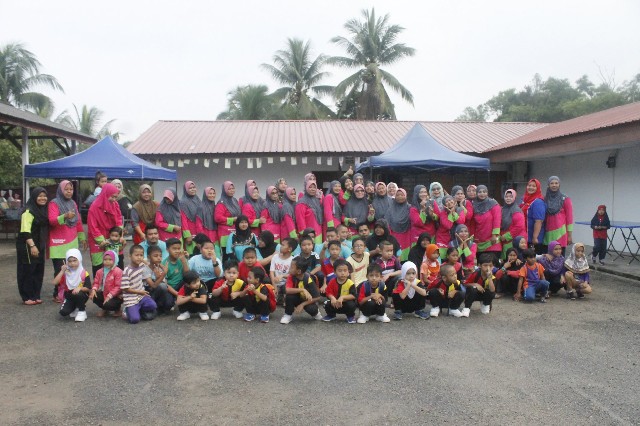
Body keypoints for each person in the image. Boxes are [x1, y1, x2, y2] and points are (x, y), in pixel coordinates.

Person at [48, 180, 86, 302]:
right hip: (58, 242)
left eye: (71, 189)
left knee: (72, 268)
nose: (69, 192)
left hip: (72, 241)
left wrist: (82, 238)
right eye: (66, 189)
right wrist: (64, 216)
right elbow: (52, 221)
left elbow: (78, 221)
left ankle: (69, 291)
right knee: (60, 269)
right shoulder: (54, 203)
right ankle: (57, 294)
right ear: (60, 190)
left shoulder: (73, 203)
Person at [17, 187, 48, 305]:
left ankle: (36, 295)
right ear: (34, 197)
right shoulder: (28, 211)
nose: (42, 198)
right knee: (28, 270)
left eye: (44, 196)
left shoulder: (43, 211)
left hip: (39, 244)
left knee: (39, 269)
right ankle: (27, 297)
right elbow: (25, 231)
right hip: (27, 245)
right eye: (40, 196)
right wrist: (32, 246)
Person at [87, 183, 123, 276]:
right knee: (99, 268)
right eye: (112, 196)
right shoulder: (94, 207)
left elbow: (119, 220)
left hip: (113, 238)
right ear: (105, 194)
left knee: (116, 266)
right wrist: (102, 241)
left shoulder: (115, 204)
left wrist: (119, 235)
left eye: (116, 197)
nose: (114, 199)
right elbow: (93, 227)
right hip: (98, 241)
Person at [121, 245, 158, 324]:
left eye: (141, 255)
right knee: (135, 320)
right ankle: (127, 310)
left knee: (153, 305)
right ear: (130, 256)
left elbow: (149, 264)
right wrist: (139, 292)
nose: (139, 257)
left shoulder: (142, 265)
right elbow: (125, 288)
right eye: (136, 255)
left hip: (141, 296)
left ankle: (137, 309)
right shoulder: (127, 271)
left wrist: (143, 260)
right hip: (131, 298)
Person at [280, 256, 323, 324]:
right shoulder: (291, 276)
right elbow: (287, 290)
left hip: (307, 300)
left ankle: (316, 313)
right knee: (289, 297)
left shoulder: (308, 279)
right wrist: (302, 290)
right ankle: (288, 315)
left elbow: (317, 297)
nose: (289, 269)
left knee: (312, 309)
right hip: (297, 297)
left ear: (299, 271)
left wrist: (302, 304)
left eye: (291, 267)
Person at [55, 248, 91, 322]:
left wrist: (79, 288)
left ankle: (82, 311)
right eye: (70, 261)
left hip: (81, 295)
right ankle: (75, 307)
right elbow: (55, 282)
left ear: (79, 260)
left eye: (74, 260)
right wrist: (62, 271)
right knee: (63, 312)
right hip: (69, 296)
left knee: (78, 294)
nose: (72, 263)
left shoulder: (84, 273)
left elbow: (88, 288)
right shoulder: (65, 273)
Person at [543, 176, 574, 254]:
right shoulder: (545, 199)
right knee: (548, 257)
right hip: (547, 233)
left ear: (559, 185)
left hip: (561, 234)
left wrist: (569, 235)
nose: (554, 185)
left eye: (556, 183)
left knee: (559, 257)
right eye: (552, 183)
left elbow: (569, 218)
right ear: (548, 185)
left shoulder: (565, 199)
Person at [471, 185, 502, 262]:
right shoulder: (474, 205)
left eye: (484, 192)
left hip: (492, 240)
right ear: (476, 193)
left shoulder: (493, 204)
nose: (482, 194)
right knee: (481, 264)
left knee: (492, 264)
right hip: (479, 240)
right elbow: (473, 223)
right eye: (480, 192)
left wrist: (494, 235)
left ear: (487, 193)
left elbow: (497, 220)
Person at [322, 259, 357, 323]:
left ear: (348, 272)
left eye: (345, 270)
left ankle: (350, 316)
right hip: (335, 302)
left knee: (351, 305)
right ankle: (331, 315)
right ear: (335, 272)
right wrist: (332, 298)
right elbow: (328, 292)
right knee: (327, 304)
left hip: (346, 303)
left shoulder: (350, 283)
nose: (342, 273)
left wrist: (343, 297)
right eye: (340, 271)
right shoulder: (332, 282)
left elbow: (353, 295)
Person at [90, 250, 123, 317]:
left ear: (115, 260)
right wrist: (93, 289)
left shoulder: (118, 271)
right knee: (93, 295)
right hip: (104, 292)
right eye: (105, 259)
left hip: (116, 295)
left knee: (109, 304)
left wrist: (109, 296)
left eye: (110, 259)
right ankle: (105, 309)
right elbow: (96, 282)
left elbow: (118, 286)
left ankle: (117, 309)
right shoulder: (100, 271)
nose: (107, 261)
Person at [145, 245, 174, 314]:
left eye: (160, 256)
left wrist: (160, 276)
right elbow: (153, 286)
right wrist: (163, 274)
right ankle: (151, 307)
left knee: (169, 303)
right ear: (149, 257)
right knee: (162, 286)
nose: (159, 258)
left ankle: (158, 307)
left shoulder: (161, 268)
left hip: (159, 292)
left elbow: (165, 284)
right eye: (155, 256)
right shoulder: (145, 269)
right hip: (148, 292)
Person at [520, 179, 545, 254]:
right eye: (529, 185)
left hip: (534, 239)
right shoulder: (525, 199)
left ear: (538, 188)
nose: (531, 187)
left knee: (533, 259)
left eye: (534, 186)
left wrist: (535, 237)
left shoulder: (538, 202)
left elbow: (539, 221)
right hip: (526, 237)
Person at [386, 188, 411, 261]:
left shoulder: (409, 208)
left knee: (406, 257)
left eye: (402, 195)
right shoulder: (390, 209)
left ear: (405, 196)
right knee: (395, 256)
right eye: (397, 195)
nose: (400, 197)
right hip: (394, 235)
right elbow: (387, 222)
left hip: (407, 235)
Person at [215, 181, 241, 250]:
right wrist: (232, 219)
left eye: (233, 188)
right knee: (226, 253)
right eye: (229, 189)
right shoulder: (221, 203)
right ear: (224, 190)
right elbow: (217, 218)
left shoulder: (234, 200)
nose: (232, 190)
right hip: (225, 233)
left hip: (235, 231)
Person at [500, 189, 526, 258]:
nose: (508, 198)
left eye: (511, 196)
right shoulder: (502, 209)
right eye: (506, 196)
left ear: (514, 198)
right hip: (504, 240)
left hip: (514, 240)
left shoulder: (516, 210)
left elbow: (519, 226)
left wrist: (506, 236)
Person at [162, 238, 189, 303]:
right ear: (167, 250)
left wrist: (184, 261)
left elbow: (187, 275)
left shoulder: (181, 258)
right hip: (170, 288)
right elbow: (165, 284)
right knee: (168, 304)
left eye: (179, 248)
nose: (177, 251)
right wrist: (177, 294)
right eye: (174, 249)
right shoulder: (164, 264)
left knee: (192, 278)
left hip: (182, 284)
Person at [270, 237, 297, 302]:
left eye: (283, 245)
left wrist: (282, 276)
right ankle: (278, 295)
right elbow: (271, 272)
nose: (280, 246)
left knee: (289, 284)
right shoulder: (275, 257)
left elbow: (292, 274)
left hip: (286, 283)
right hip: (275, 282)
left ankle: (284, 297)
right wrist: (274, 285)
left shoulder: (293, 260)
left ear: (290, 249)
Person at [180, 181, 203, 250]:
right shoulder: (183, 202)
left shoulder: (198, 200)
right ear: (186, 190)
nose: (193, 189)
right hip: (190, 231)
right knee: (192, 252)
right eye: (190, 188)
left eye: (194, 187)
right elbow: (183, 220)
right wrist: (187, 235)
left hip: (199, 230)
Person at [200, 186, 218, 251]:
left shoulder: (215, 206)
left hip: (215, 234)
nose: (212, 195)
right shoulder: (201, 207)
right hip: (205, 233)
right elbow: (199, 224)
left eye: (213, 193)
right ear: (205, 195)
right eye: (210, 193)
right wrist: (202, 237)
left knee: (216, 252)